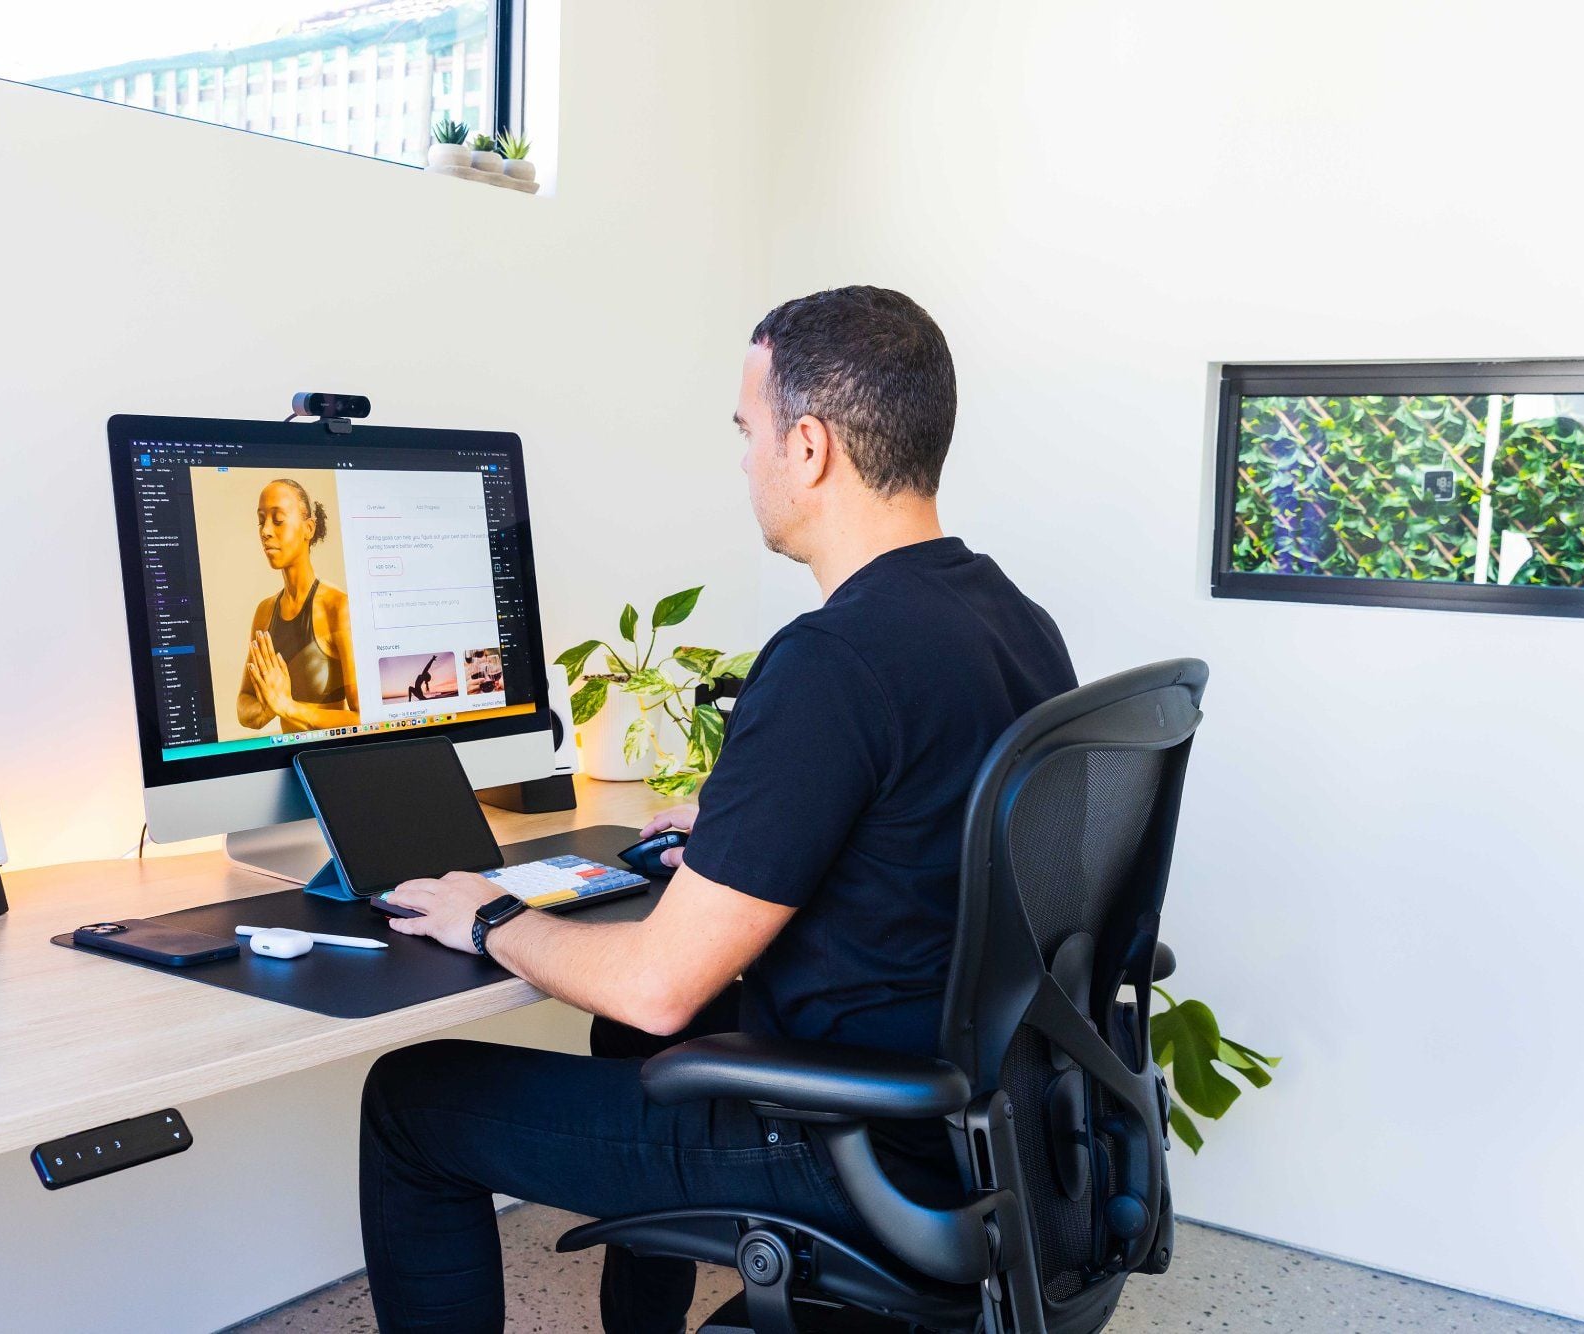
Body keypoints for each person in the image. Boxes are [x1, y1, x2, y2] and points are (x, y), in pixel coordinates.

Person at [358, 287, 1078, 1334]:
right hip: (971, 1121)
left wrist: (488, 915)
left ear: (810, 448)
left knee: (411, 1103)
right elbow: (923, 826)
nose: (743, 460)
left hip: (842, 1138)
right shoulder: (1009, 617)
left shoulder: (833, 657)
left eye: (747, 432)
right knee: (638, 1041)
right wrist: (753, 824)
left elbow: (656, 983)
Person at [237, 479, 360, 734]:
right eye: (261, 521)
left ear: (309, 528)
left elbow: (365, 717)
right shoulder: (264, 612)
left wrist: (289, 707)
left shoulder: (337, 607)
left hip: (333, 759)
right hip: (288, 758)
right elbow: (244, 704)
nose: (265, 531)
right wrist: (269, 707)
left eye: (278, 520)